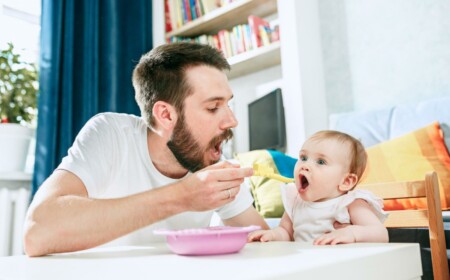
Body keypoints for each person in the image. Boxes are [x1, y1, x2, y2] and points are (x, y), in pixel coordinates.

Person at [23, 42, 269, 257]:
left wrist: (296, 220)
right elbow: (37, 232)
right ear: (165, 114)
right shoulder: (111, 135)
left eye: (228, 104)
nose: (232, 120)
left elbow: (263, 242)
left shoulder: (208, 162)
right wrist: (182, 196)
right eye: (213, 108)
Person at [248, 130, 388, 245]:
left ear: (346, 181)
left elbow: (380, 234)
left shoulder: (350, 203)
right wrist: (272, 235)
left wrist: (351, 233)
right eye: (303, 158)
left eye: (321, 161)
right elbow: (285, 232)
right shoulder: (295, 201)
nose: (305, 165)